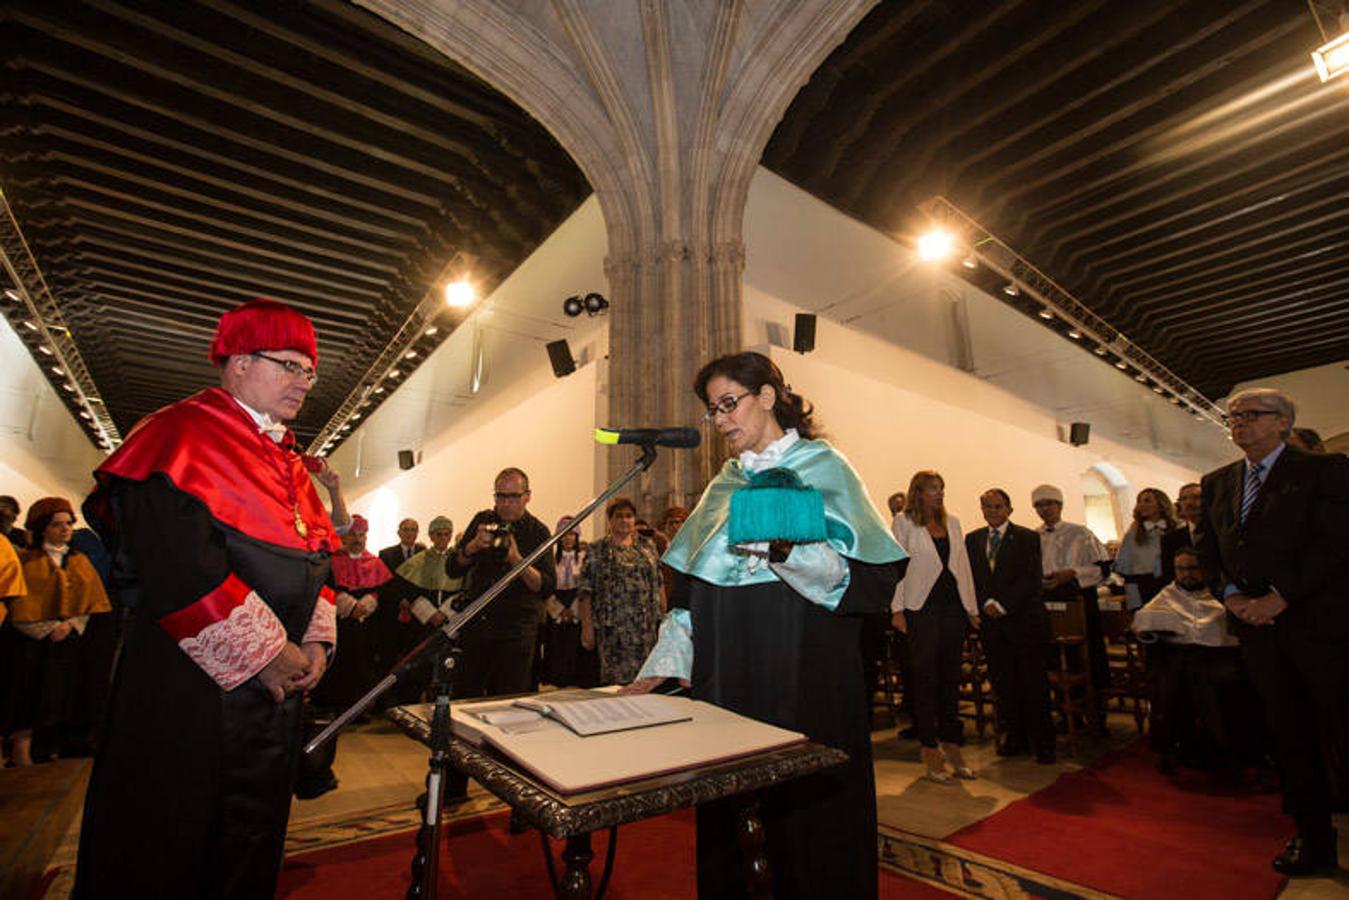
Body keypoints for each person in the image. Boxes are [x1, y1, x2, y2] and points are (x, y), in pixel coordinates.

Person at [73, 298, 340, 898]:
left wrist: (316, 637)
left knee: (251, 839)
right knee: (176, 843)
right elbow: (177, 565)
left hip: (273, 700)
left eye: (309, 370)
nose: (304, 381)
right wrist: (268, 653)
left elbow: (318, 554)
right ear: (239, 363)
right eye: (289, 365)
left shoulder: (291, 461)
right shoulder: (179, 432)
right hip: (189, 694)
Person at [626, 351, 906, 900]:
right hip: (729, 680)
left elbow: (871, 582)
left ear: (769, 397)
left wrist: (784, 550)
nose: (722, 420)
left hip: (806, 673)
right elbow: (690, 594)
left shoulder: (826, 467)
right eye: (713, 411)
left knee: (807, 828)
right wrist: (662, 667)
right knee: (733, 817)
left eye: (730, 403)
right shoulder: (723, 485)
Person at [1197, 387, 1349, 876]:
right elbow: (1209, 552)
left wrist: (1280, 596)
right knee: (1288, 735)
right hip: (1258, 632)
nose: (1239, 424)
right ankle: (1312, 836)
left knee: (1341, 727)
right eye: (1233, 417)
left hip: (1316, 626)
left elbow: (1334, 545)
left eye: (1252, 415)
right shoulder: (1219, 482)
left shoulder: (1324, 470)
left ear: (1284, 422)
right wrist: (1233, 597)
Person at [0, 498, 111, 766]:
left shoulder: (79, 561)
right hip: (33, 644)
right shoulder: (27, 560)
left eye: (68, 524)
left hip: (69, 642)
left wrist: (72, 624)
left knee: (63, 693)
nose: (65, 529)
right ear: (42, 528)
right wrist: (46, 627)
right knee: (29, 694)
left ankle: (53, 744)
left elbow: (92, 599)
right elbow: (20, 602)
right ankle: (22, 747)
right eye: (57, 524)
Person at [1132, 548, 1257, 775]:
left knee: (1221, 686)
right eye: (1181, 569)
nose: (1187, 574)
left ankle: (1226, 750)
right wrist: (1146, 631)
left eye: (1192, 568)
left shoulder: (1222, 593)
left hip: (1220, 656)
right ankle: (1174, 746)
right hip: (1180, 657)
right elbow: (1144, 623)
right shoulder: (1167, 595)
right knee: (1169, 686)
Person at [891, 471, 979, 783]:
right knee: (925, 679)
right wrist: (897, 609)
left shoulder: (952, 522)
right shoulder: (905, 522)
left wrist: (972, 608)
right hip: (921, 608)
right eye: (932, 489)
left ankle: (953, 745)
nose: (938, 494)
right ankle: (930, 749)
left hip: (952, 607)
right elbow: (897, 566)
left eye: (941, 488)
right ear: (918, 492)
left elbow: (963, 566)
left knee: (951, 678)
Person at [448, 469, 557, 698]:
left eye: (512, 497)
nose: (505, 504)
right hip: (478, 623)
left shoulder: (538, 531)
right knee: (466, 697)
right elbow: (453, 569)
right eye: (500, 496)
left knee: (509, 700)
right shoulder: (483, 521)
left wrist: (517, 561)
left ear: (527, 496)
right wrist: (472, 547)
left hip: (516, 631)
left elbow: (546, 586)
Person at [966, 488, 1054, 764]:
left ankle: (1042, 743)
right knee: (1004, 685)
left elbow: (1031, 578)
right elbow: (971, 578)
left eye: (998, 506)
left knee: (1033, 684)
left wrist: (1001, 603)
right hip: (992, 625)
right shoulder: (973, 539)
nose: (992, 511)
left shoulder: (1028, 537)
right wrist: (983, 603)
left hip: (1024, 621)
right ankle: (1013, 737)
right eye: (987, 507)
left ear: (1009, 509)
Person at [1031, 483, 1110, 731]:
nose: (1045, 509)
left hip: (1079, 602)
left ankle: (1095, 713)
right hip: (1048, 604)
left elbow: (1103, 568)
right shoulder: (1033, 537)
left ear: (1060, 505)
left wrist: (1072, 573)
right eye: (1039, 505)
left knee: (1087, 659)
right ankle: (1066, 715)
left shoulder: (1081, 533)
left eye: (1049, 504)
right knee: (1054, 660)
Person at [577, 498, 663, 685]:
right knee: (616, 684)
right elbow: (585, 592)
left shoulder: (647, 546)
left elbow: (658, 582)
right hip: (613, 630)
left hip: (645, 628)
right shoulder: (597, 549)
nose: (624, 520)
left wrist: (663, 620)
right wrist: (587, 627)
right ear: (610, 519)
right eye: (619, 516)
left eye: (629, 516)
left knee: (645, 681)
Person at [389, 516, 463, 704]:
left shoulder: (457, 560)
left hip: (448, 622)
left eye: (447, 534)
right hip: (422, 623)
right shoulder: (418, 561)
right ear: (431, 536)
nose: (443, 538)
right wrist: (430, 614)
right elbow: (409, 590)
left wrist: (445, 613)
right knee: (419, 666)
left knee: (444, 666)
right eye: (438, 534)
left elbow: (463, 589)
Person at [540, 517, 597, 688]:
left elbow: (586, 586)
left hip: (578, 604)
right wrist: (558, 610)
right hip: (555, 605)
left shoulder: (584, 558)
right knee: (557, 645)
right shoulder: (550, 559)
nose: (568, 538)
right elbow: (547, 587)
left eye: (572, 534)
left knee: (575, 645)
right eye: (565, 534)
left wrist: (574, 609)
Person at [1112, 488, 1178, 609]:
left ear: (1161, 504)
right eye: (1139, 501)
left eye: (1147, 501)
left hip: (1172, 582)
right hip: (1143, 583)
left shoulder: (1176, 528)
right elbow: (1127, 566)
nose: (1142, 505)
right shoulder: (1134, 532)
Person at [1160, 482, 1201, 584]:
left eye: (1196, 497)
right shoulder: (1170, 539)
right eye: (1184, 499)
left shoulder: (1222, 533)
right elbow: (1169, 574)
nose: (1189, 503)